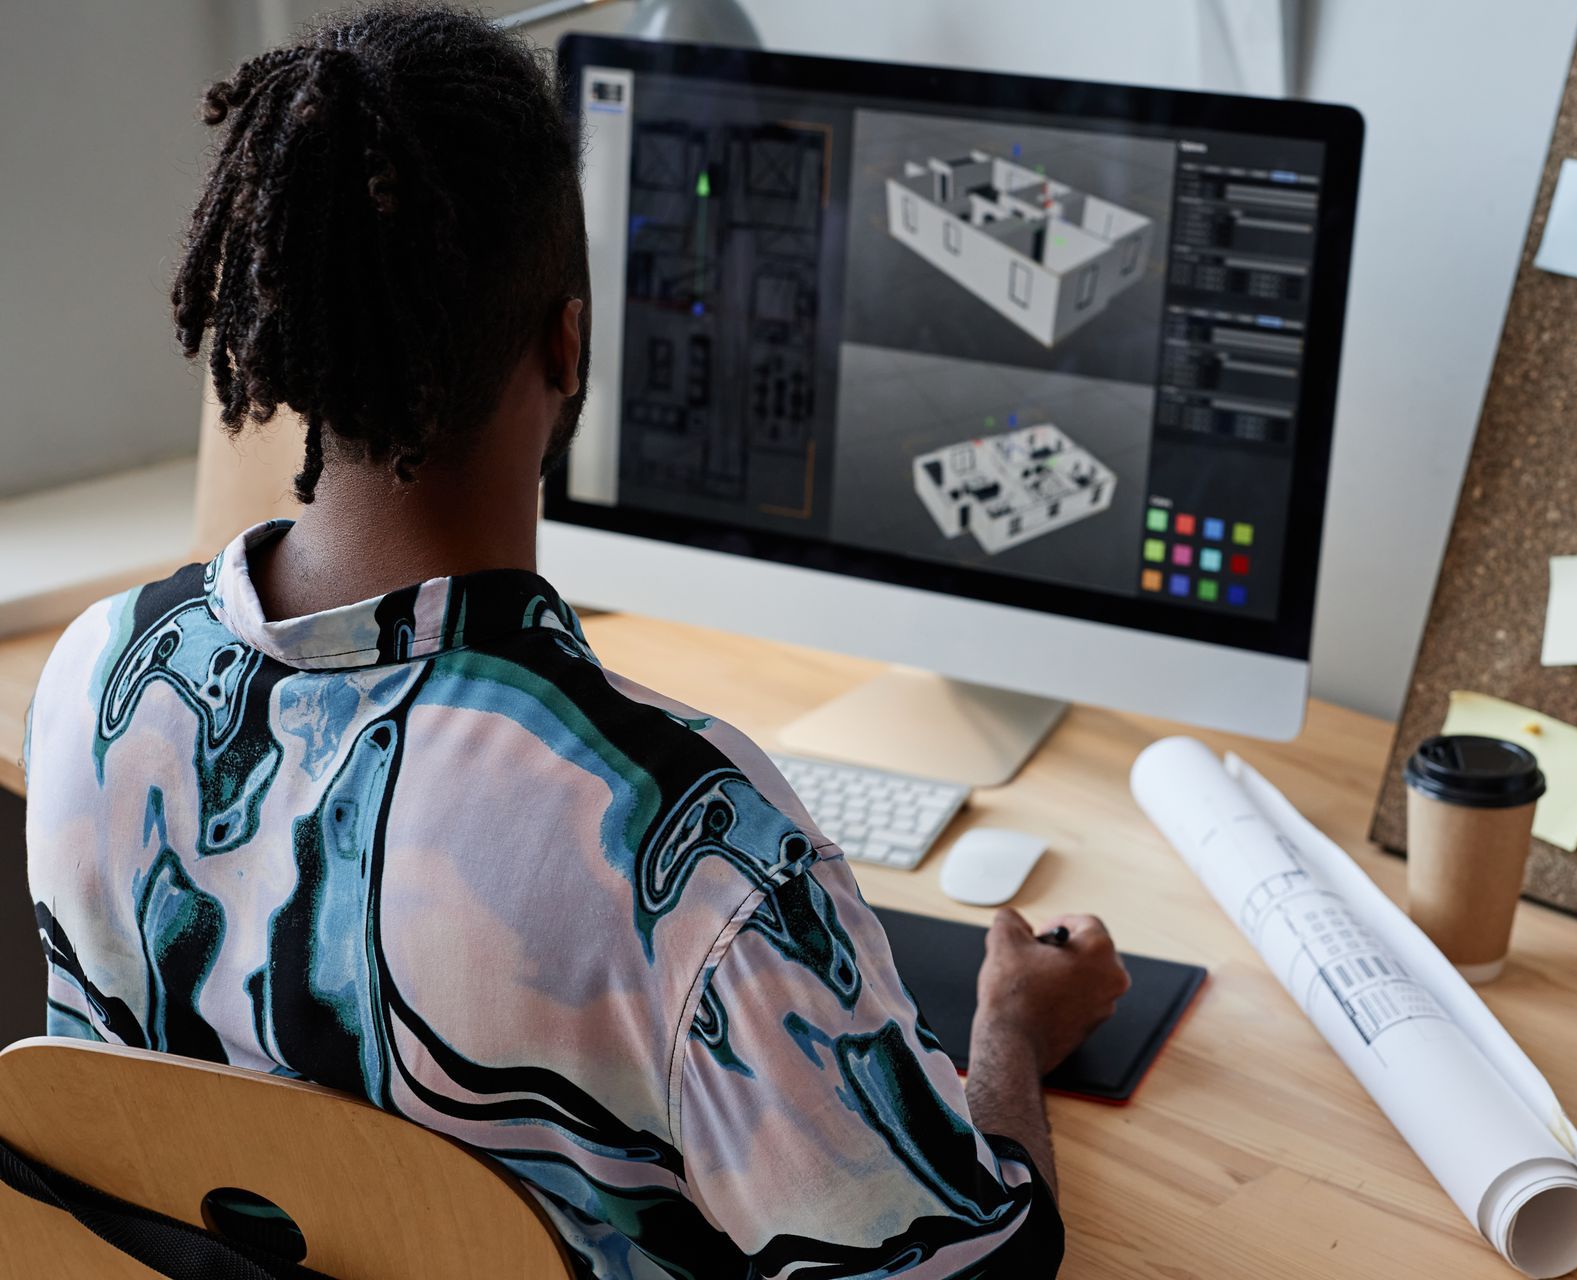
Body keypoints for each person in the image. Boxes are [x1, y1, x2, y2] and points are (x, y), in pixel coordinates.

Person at [22, 6, 1129, 1276]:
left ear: (276, 322)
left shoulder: (93, 676)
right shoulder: (685, 846)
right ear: (570, 338)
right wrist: (1010, 1035)